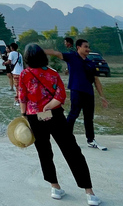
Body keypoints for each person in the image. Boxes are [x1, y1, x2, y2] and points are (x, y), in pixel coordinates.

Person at [18, 44, 101, 205]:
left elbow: (22, 97)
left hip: (34, 117)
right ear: (43, 56)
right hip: (55, 115)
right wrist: (48, 107)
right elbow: (61, 96)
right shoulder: (52, 74)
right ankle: (89, 192)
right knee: (72, 151)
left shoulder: (24, 74)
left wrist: (24, 115)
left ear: (27, 58)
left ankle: (55, 187)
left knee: (44, 152)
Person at [45, 40, 109, 151]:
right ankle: (67, 138)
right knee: (73, 115)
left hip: (89, 93)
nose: (88, 49)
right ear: (78, 47)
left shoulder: (90, 62)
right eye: (85, 47)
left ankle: (91, 140)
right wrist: (40, 51)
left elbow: (96, 80)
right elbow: (56, 53)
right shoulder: (71, 57)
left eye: (89, 47)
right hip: (76, 91)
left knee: (89, 118)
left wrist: (102, 97)